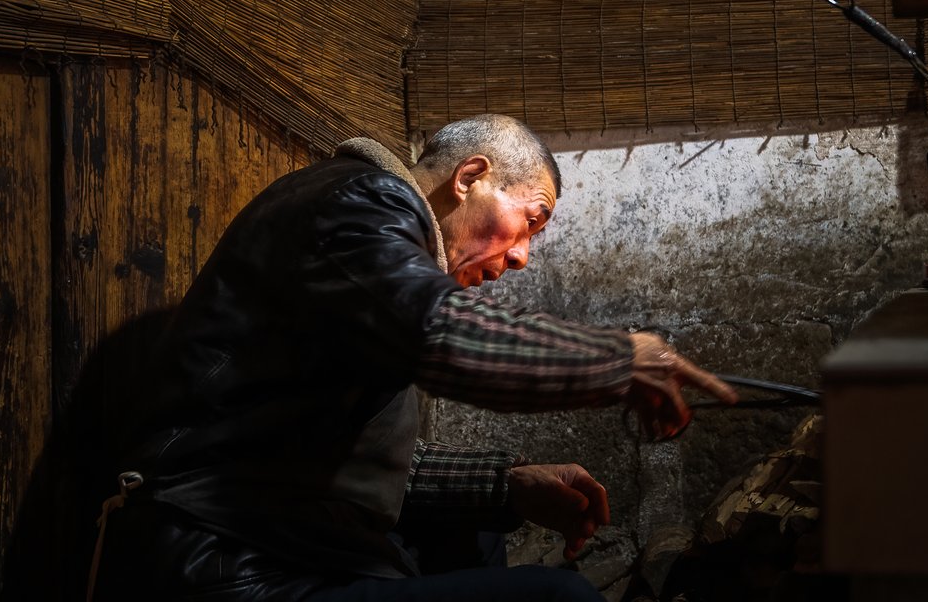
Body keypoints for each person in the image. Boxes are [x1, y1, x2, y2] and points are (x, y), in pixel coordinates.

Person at [88, 113, 738, 602]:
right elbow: (440, 336)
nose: (521, 257)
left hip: (272, 533)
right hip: (222, 560)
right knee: (556, 599)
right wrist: (622, 359)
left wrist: (502, 485)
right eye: (529, 222)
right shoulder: (359, 204)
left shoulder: (368, 238)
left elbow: (332, 457)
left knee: (476, 526)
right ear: (471, 178)